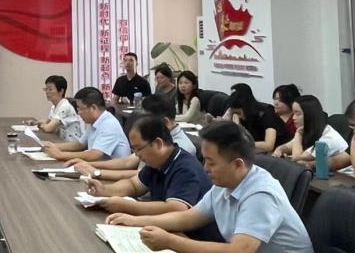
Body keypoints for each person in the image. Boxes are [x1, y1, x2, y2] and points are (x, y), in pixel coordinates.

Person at [106, 122, 324, 253]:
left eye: (211, 162)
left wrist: (170, 241)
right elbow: (188, 218)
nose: (205, 169)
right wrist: (135, 221)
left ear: (237, 164)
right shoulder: (225, 184)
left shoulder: (261, 195)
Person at [84, 115, 221, 241]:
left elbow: (176, 208)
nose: (136, 155)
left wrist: (127, 206)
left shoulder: (185, 168)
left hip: (196, 240)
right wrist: (105, 190)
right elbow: (134, 185)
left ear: (158, 144)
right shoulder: (157, 162)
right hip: (171, 232)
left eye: (138, 149)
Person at [68, 95, 196, 180]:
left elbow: (142, 176)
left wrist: (97, 172)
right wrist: (88, 165)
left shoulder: (182, 148)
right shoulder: (155, 137)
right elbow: (128, 161)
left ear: (165, 122)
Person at [41, 87, 130, 162]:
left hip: (114, 171)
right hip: (98, 166)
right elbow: (80, 145)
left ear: (93, 107)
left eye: (80, 109)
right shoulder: (95, 121)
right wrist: (54, 146)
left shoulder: (109, 124)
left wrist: (61, 155)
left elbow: (94, 154)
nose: (78, 113)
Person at [273, 95, 350, 171]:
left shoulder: (328, 137)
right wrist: (280, 150)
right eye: (293, 114)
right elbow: (288, 146)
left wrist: (298, 134)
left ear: (309, 115)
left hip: (343, 176)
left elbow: (297, 160)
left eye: (298, 114)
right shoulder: (308, 130)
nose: (293, 118)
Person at [226, 87, 288, 153]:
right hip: (257, 152)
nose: (238, 116)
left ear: (246, 107)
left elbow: (269, 145)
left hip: (278, 153)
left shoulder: (266, 112)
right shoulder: (240, 116)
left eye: (238, 113)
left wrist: (241, 144)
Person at [26, 75, 83, 142]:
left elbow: (48, 128)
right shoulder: (54, 106)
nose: (47, 92)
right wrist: (35, 123)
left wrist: (40, 125)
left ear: (61, 91)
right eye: (46, 89)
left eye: (50, 89)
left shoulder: (65, 106)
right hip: (61, 141)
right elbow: (49, 121)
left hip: (72, 143)